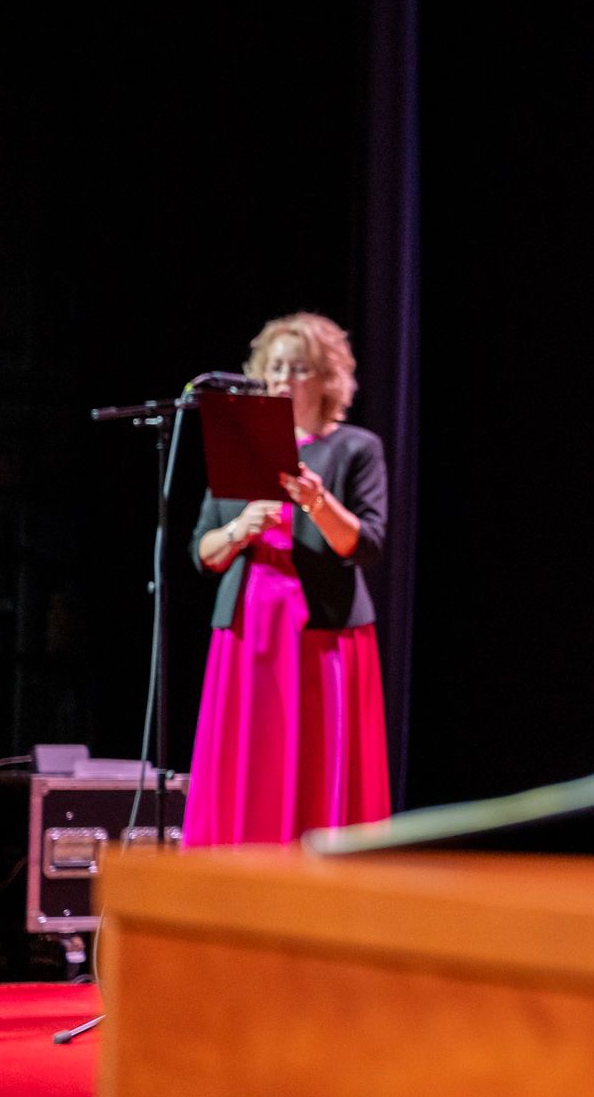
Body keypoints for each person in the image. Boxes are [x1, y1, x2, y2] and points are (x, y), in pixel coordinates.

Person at [186, 312, 390, 844]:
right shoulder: (241, 443)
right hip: (248, 627)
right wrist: (239, 529)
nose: (283, 379)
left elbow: (365, 545)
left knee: (315, 761)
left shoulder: (355, 448)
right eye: (274, 367)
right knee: (250, 761)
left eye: (298, 368)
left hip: (320, 630)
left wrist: (318, 502)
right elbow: (203, 553)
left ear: (327, 379)